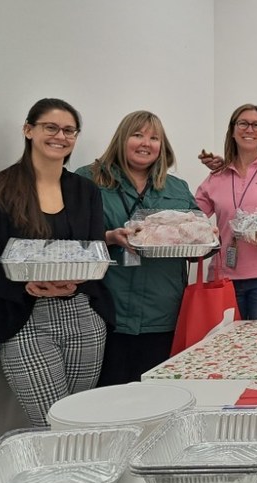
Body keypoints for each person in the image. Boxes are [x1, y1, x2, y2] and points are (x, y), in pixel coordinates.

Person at [0, 98, 114, 428]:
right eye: (51, 127)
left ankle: (81, 482)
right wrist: (26, 285)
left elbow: (94, 252)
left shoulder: (86, 191)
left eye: (69, 130)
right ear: (28, 130)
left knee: (79, 423)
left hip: (84, 318)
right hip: (25, 322)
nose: (60, 136)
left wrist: (78, 282)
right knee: (53, 425)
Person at [77, 111, 198, 385]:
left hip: (163, 312)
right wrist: (108, 237)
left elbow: (199, 240)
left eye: (154, 138)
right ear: (122, 138)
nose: (146, 143)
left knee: (154, 397)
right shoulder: (88, 180)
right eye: (138, 135)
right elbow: (67, 237)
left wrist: (205, 240)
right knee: (107, 398)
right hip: (106, 312)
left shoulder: (177, 188)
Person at [196, 104, 257, 320]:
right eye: (243, 123)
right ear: (232, 131)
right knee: (224, 348)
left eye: (256, 125)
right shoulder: (217, 176)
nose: (249, 129)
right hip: (223, 277)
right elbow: (193, 216)